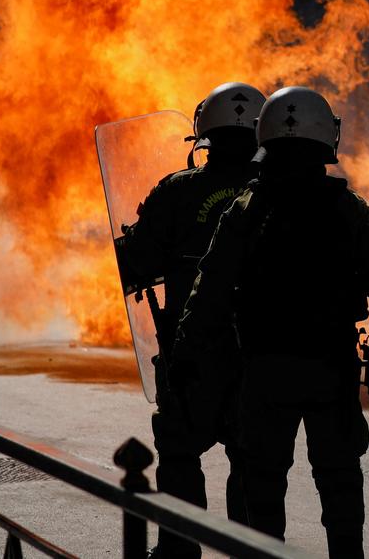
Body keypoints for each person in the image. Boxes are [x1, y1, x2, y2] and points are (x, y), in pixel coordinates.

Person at [172, 86, 369, 559]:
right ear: (325, 140)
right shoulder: (346, 208)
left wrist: (187, 351)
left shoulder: (248, 209)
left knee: (262, 481)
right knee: (339, 480)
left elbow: (209, 287)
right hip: (331, 367)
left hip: (266, 367)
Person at [115, 81, 264, 559]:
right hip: (257, 352)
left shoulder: (178, 191)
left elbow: (137, 259)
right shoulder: (278, 192)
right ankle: (251, 548)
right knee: (252, 462)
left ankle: (179, 551)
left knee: (179, 455)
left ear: (205, 134)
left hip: (190, 351)